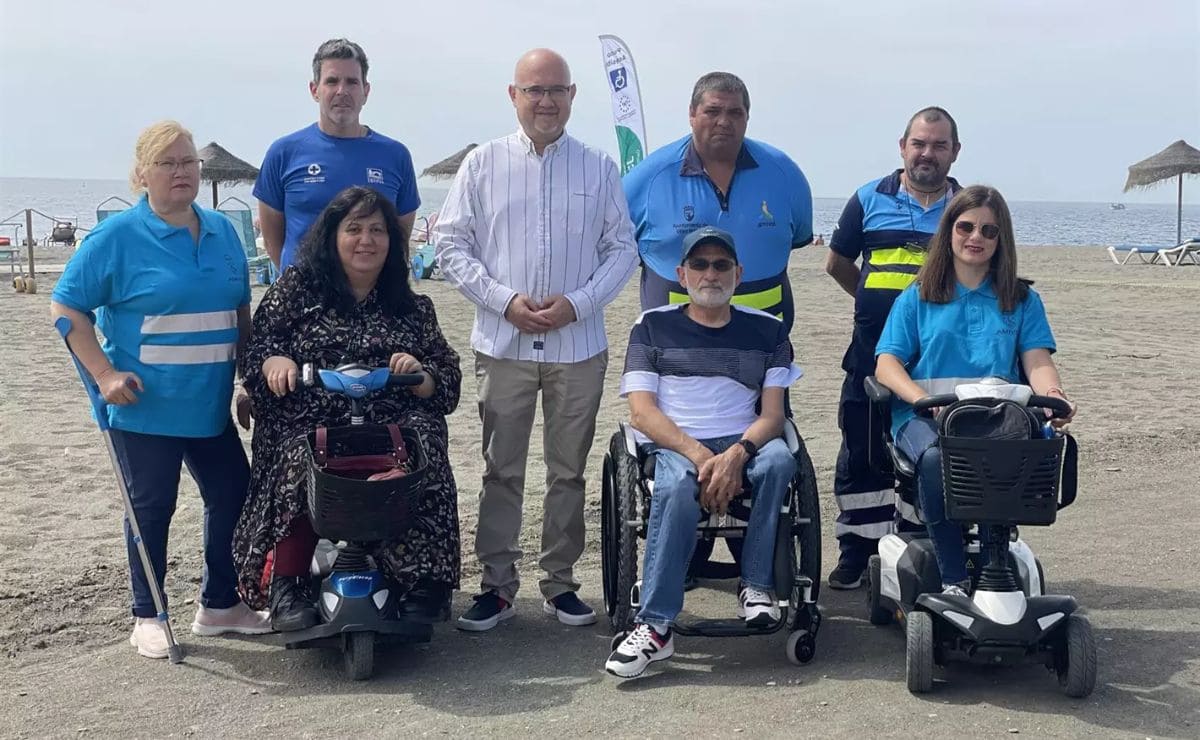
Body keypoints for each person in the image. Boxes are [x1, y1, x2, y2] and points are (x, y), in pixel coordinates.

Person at [50, 120, 271, 659]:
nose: (181, 172)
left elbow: (239, 312)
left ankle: (219, 604)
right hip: (144, 407)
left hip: (209, 404)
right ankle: (147, 613)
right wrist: (105, 375)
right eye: (168, 163)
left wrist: (248, 380)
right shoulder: (117, 237)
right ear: (142, 173)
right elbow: (66, 306)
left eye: (189, 162)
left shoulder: (222, 232)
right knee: (153, 507)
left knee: (233, 493)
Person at [435, 48, 638, 632]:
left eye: (556, 90)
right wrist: (504, 301)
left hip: (578, 346)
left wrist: (577, 303)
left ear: (573, 96)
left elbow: (622, 249)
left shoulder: (599, 167)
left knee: (567, 471)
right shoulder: (482, 164)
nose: (545, 101)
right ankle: (497, 586)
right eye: (534, 90)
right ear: (513, 95)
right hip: (503, 344)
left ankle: (560, 583)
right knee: (501, 469)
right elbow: (451, 245)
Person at [233, 186, 462, 629]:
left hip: (388, 419)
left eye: (377, 230)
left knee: (426, 440)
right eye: (353, 229)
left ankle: (425, 583)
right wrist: (273, 362)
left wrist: (423, 373)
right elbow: (258, 349)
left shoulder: (413, 308)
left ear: (392, 242)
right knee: (300, 450)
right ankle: (288, 583)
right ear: (331, 236)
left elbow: (447, 378)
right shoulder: (296, 291)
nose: (366, 240)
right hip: (310, 416)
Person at [604, 226, 802, 679]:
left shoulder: (769, 331)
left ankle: (755, 586)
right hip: (675, 442)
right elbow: (642, 414)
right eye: (699, 264)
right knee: (673, 485)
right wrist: (700, 457)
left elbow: (773, 415)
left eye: (721, 265)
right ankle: (655, 626)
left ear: (738, 273)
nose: (710, 273)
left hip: (743, 440)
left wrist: (735, 454)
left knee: (778, 461)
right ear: (681, 273)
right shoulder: (651, 326)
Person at [874, 185, 1076, 595]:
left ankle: (995, 560)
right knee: (936, 459)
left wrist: (1054, 394)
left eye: (989, 230)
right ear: (949, 231)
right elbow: (886, 364)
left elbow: (1036, 360)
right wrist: (920, 401)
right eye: (966, 226)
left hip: (994, 416)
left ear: (1001, 239)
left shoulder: (1021, 299)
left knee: (1025, 449)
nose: (976, 238)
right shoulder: (918, 297)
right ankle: (953, 576)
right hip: (922, 416)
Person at [823, 106, 964, 590]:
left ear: (954, 153)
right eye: (919, 143)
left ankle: (910, 548)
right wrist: (874, 303)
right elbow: (839, 265)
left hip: (934, 369)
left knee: (924, 457)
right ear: (903, 147)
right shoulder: (867, 199)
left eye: (939, 145)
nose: (928, 153)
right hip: (867, 359)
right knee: (861, 456)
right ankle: (857, 553)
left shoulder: (964, 210)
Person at [623, 71, 812, 330]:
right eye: (712, 111)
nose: (723, 121)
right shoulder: (648, 179)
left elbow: (798, 238)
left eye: (735, 113)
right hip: (674, 344)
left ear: (747, 117)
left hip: (765, 345)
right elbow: (615, 249)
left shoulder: (785, 174)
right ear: (692, 114)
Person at [254, 38, 420, 272]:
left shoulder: (396, 156)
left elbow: (398, 239)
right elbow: (274, 243)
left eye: (352, 82)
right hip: (304, 297)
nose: (342, 91)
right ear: (315, 90)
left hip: (374, 301)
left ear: (366, 91)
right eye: (332, 81)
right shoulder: (283, 153)